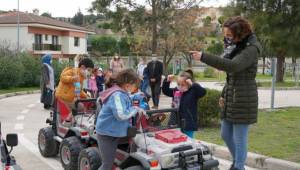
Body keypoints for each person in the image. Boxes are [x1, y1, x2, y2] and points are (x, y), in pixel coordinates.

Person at [190, 16, 262, 170]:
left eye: (229, 35)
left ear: (240, 33)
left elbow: (233, 66)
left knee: (239, 138)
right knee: (225, 133)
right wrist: (223, 94)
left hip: (244, 98)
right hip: (232, 94)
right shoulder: (237, 46)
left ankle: (238, 166)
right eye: (225, 35)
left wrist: (204, 57)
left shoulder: (251, 49)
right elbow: (232, 77)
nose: (227, 38)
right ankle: (238, 163)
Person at [95, 69, 146, 170]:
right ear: (127, 85)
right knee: (107, 164)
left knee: (112, 159)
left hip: (113, 131)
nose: (136, 88)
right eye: (135, 86)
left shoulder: (121, 92)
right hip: (106, 134)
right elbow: (121, 115)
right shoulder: (117, 95)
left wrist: (135, 96)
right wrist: (135, 109)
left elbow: (126, 99)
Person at [162, 69, 206, 138]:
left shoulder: (193, 91)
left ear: (188, 84)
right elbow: (166, 91)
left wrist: (193, 84)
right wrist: (167, 81)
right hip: (175, 122)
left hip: (188, 123)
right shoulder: (176, 90)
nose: (180, 86)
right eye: (178, 84)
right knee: (176, 141)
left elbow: (202, 92)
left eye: (183, 85)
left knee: (188, 142)